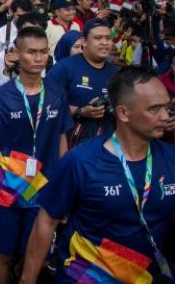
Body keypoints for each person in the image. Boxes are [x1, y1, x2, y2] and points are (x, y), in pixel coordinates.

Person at [21, 67, 175, 284]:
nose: (165, 116)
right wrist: (27, 279)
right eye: (154, 109)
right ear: (123, 113)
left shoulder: (171, 158)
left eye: (167, 107)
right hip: (87, 277)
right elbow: (46, 221)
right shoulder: (81, 161)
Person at [0, 26, 72, 284]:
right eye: (31, 52)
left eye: (44, 52)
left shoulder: (56, 94)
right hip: (8, 191)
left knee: (37, 257)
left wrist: (65, 190)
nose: (39, 58)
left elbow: (62, 139)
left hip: (45, 190)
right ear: (16, 53)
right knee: (4, 253)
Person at [47, 18, 117, 147]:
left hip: (106, 147)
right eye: (98, 38)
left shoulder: (116, 73)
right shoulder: (64, 68)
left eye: (108, 38)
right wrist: (79, 111)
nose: (104, 43)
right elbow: (45, 105)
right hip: (69, 146)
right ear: (84, 42)